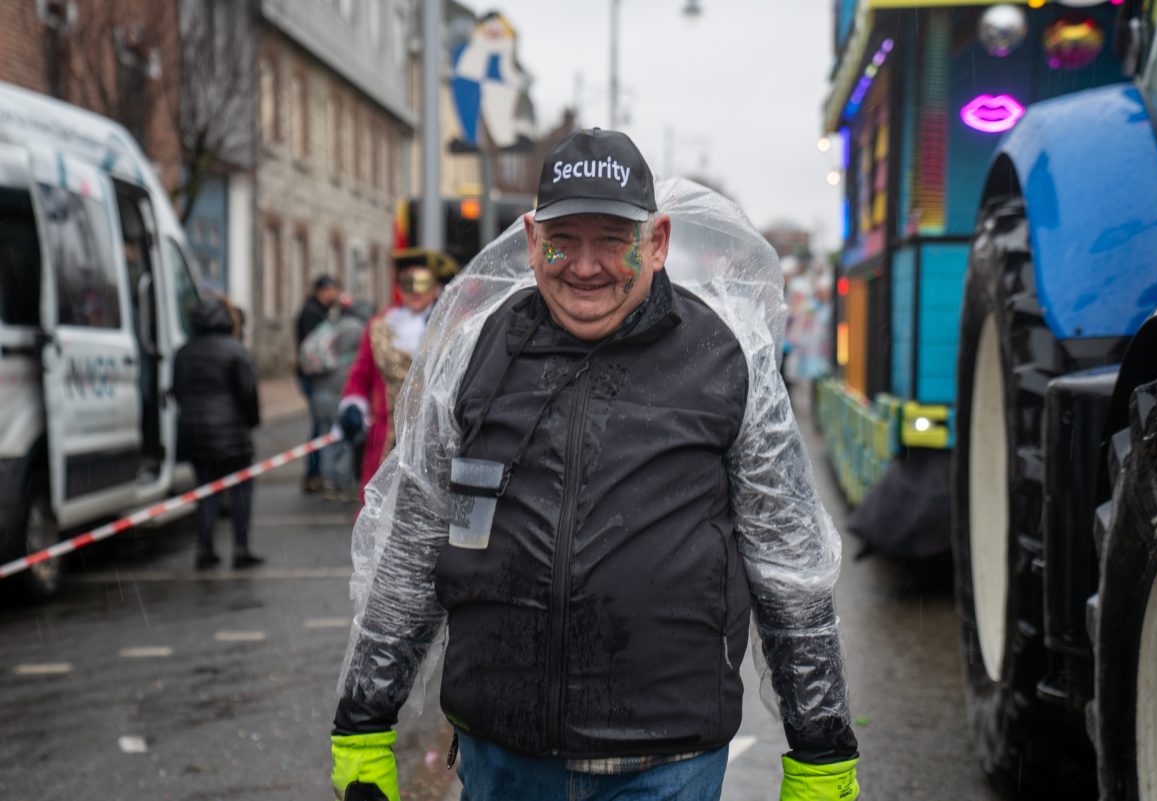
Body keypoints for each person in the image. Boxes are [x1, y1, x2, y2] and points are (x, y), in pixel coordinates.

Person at [330, 129, 860, 801]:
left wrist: (822, 748)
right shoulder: (475, 353)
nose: (585, 265)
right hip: (504, 760)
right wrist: (363, 721)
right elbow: (411, 547)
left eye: (613, 239)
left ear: (657, 241)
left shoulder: (726, 361)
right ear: (530, 239)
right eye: (562, 238)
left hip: (667, 763)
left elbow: (791, 570)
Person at [336, 256, 440, 497]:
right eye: (407, 284)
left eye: (422, 283)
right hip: (386, 437)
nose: (415, 292)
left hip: (434, 439)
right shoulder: (379, 327)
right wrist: (352, 404)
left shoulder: (453, 325)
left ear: (434, 287)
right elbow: (360, 374)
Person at [173, 296, 263, 570]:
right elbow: (248, 392)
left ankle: (205, 548)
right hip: (232, 433)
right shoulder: (234, 350)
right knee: (240, 491)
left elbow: (177, 392)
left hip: (195, 434)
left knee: (206, 490)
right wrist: (251, 421)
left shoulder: (184, 352)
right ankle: (240, 548)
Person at [312, 297, 372, 501]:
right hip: (340, 391)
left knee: (326, 436)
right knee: (346, 438)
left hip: (319, 391)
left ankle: (328, 481)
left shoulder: (328, 325)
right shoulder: (359, 330)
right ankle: (345, 483)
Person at [297, 274, 342, 493]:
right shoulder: (312, 313)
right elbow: (316, 350)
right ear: (322, 291)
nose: (335, 294)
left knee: (319, 424)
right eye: (332, 290)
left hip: (313, 377)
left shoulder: (316, 310)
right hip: (314, 378)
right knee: (319, 426)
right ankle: (313, 474)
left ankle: (316, 473)